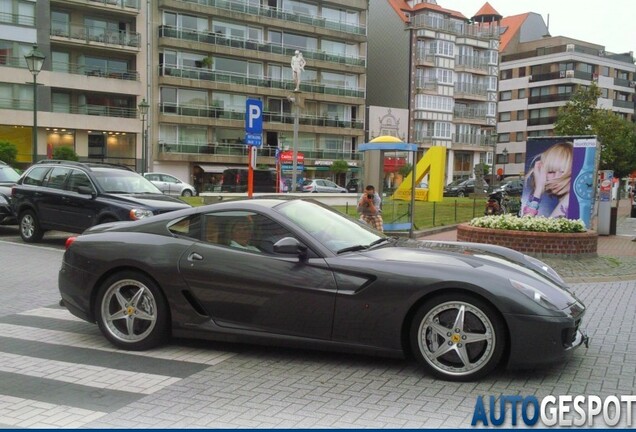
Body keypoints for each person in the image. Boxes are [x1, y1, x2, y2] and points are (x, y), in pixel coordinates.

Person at [521, 141, 573, 218]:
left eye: (563, 171)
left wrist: (538, 191)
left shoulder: (568, 201)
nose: (556, 177)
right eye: (551, 172)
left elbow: (525, 225)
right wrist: (538, 189)